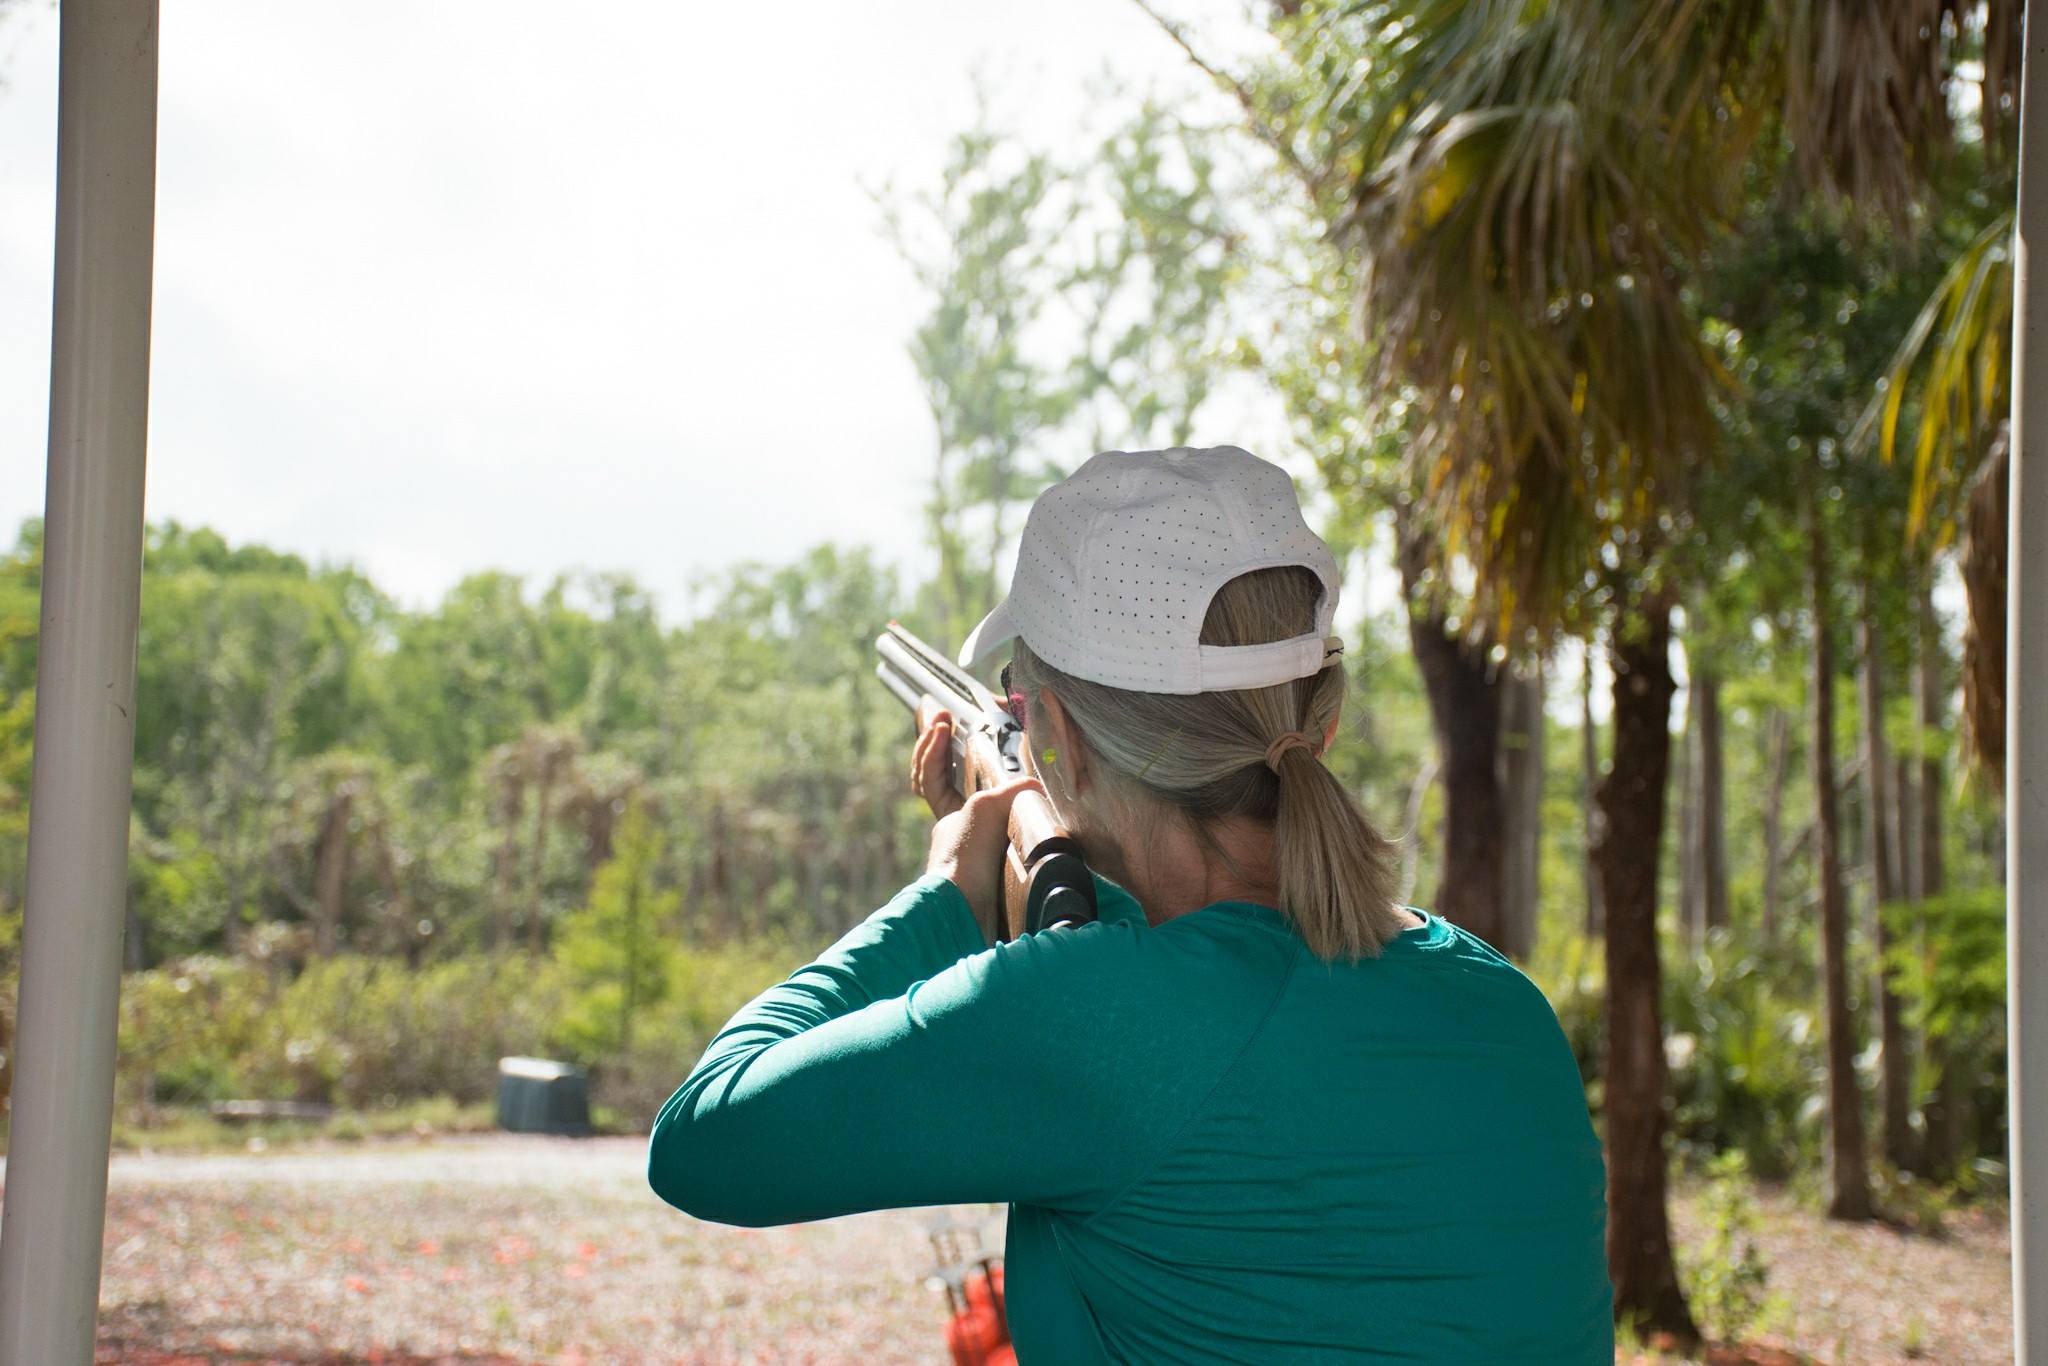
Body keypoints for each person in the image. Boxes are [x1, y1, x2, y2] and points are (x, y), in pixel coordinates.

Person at [649, 446, 1614, 1363]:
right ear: (1322, 721)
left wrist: (948, 892)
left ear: (1055, 730)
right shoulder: (1504, 1009)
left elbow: (702, 1137)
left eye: (1021, 707)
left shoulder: (1097, 1017)